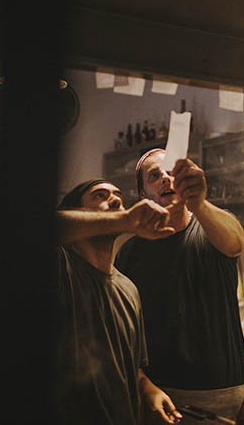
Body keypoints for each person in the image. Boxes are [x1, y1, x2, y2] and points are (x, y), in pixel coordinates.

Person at [115, 149, 244, 424]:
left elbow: (236, 242)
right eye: (154, 176)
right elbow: (124, 328)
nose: (166, 179)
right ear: (142, 194)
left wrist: (198, 202)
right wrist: (142, 383)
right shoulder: (130, 253)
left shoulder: (211, 228)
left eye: (171, 172)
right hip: (159, 391)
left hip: (220, 390)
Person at [54, 178, 183, 425]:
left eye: (118, 195)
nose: (115, 200)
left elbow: (133, 369)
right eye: (100, 195)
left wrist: (149, 390)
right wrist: (126, 220)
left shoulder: (128, 289)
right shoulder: (61, 270)